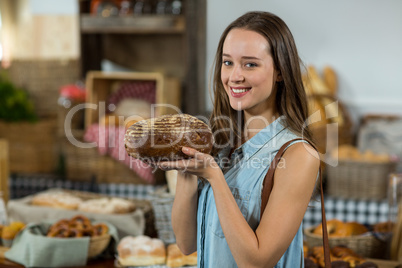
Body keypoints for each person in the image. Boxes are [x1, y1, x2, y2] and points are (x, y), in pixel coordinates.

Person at [158, 11, 320, 268]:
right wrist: (186, 174)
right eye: (228, 62)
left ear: (280, 71)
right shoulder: (219, 141)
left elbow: (257, 261)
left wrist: (213, 176)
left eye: (250, 64)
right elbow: (186, 243)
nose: (234, 76)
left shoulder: (298, 154)